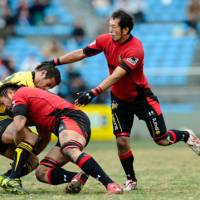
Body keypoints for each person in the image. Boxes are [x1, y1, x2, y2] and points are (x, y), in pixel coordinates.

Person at [38, 9, 200, 191]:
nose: (110, 30)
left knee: (161, 140)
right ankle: (131, 179)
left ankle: (185, 135)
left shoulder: (135, 49)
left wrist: (92, 93)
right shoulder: (105, 40)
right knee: (122, 142)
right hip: (119, 101)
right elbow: (82, 53)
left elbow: (117, 76)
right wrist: (54, 62)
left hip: (142, 99)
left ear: (126, 30)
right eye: (110, 26)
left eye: (114, 27)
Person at [0, 83, 123, 195]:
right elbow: (44, 137)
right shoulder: (35, 108)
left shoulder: (20, 94)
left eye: (2, 102)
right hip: (66, 128)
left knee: (70, 149)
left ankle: (110, 184)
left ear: (10, 93)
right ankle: (77, 177)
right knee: (42, 172)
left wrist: (18, 150)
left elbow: (19, 126)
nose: (4, 107)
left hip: (70, 118)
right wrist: (28, 155)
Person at [0, 65, 61, 193]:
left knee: (32, 162)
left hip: (5, 122)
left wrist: (26, 153)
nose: (46, 89)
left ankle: (7, 179)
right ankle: (13, 180)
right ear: (43, 73)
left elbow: (44, 133)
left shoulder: (27, 82)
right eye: (48, 84)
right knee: (30, 136)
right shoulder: (24, 83)